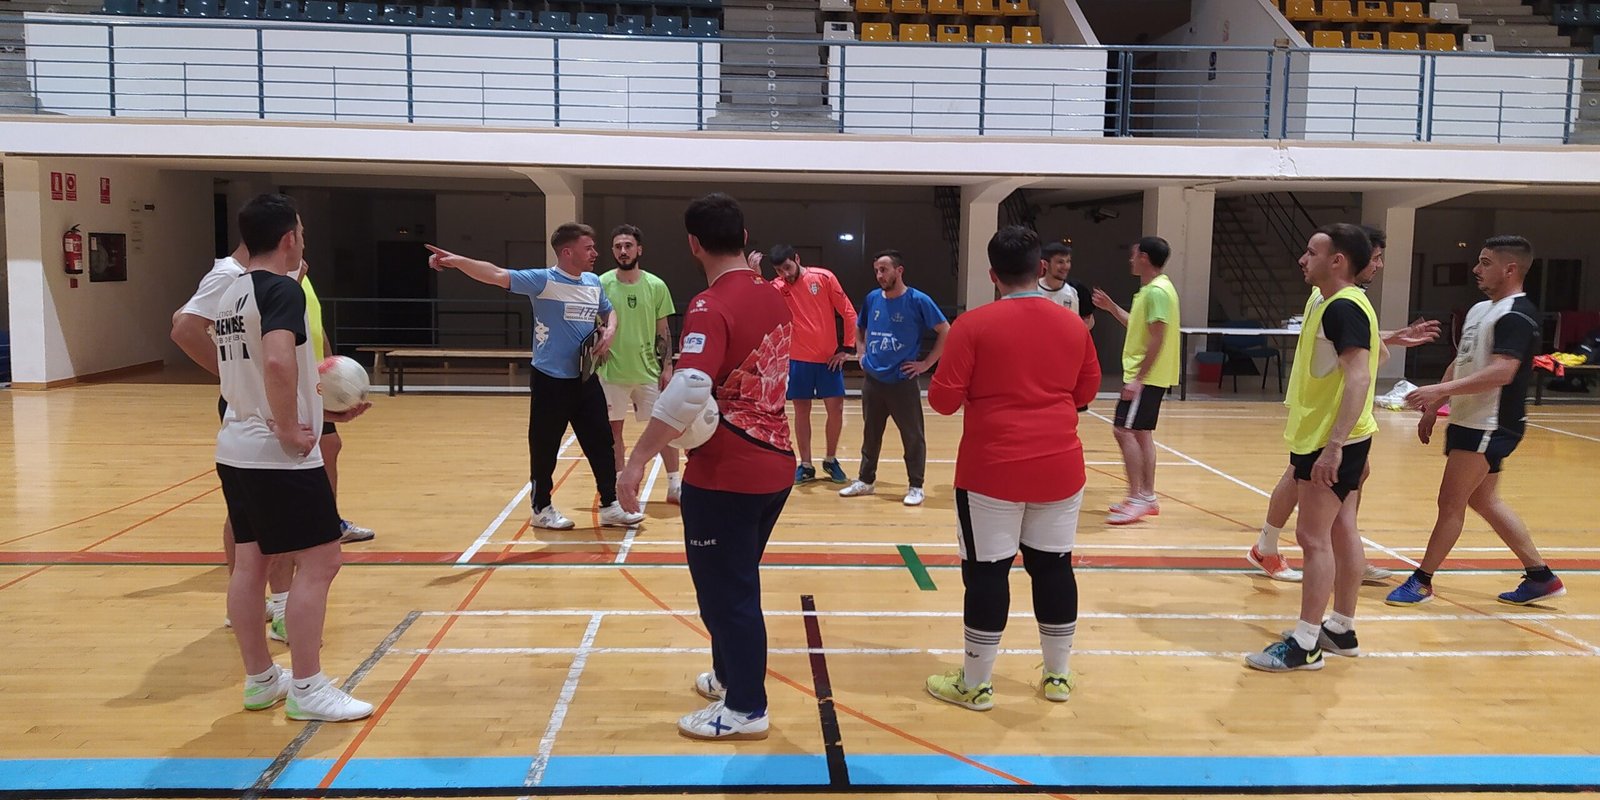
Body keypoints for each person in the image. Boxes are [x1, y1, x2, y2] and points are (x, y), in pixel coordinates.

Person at [617, 193, 794, 740]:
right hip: (776, 465)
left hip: (727, 474)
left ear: (693, 243)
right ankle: (727, 676)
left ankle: (746, 708)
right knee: (735, 582)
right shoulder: (777, 297)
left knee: (728, 593)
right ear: (744, 238)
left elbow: (692, 384)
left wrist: (638, 460)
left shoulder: (707, 305)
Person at [923, 225, 1100, 710]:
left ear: (991, 275)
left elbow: (941, 402)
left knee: (986, 574)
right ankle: (1058, 676)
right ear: (1041, 269)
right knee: (1054, 567)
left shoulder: (973, 326)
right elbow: (1085, 394)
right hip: (1061, 468)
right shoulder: (1073, 326)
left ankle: (976, 684)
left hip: (991, 472)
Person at [214, 193, 372, 720]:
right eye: (300, 233)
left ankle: (261, 680)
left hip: (235, 446)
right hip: (275, 453)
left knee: (251, 561)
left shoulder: (232, 292)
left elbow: (266, 368)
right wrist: (288, 426)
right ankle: (307, 687)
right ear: (289, 239)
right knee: (323, 560)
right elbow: (279, 362)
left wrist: (318, 411)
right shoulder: (282, 291)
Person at [1247, 226, 1441, 584]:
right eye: (1377, 257)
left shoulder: (1338, 298)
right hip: (1330, 414)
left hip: (1330, 412)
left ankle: (1327, 557)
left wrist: (1389, 337)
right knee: (1316, 504)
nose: (1379, 265)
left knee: (1337, 482)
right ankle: (1317, 560)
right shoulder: (1337, 300)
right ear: (1352, 259)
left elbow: (1357, 346)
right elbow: (1360, 364)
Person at [426, 224, 646, 530]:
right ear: (568, 252)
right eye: (589, 248)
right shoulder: (543, 281)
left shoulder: (594, 282)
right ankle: (542, 508)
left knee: (601, 442)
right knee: (544, 446)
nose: (595, 253)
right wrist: (457, 260)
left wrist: (608, 331)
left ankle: (609, 505)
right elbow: (494, 273)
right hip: (550, 380)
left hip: (585, 378)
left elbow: (609, 312)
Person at [1388, 236, 1564, 607]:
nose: (1476, 269)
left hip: (1491, 422)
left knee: (1450, 501)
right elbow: (1464, 359)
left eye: (1485, 262)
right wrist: (1437, 404)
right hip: (1471, 419)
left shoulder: (1517, 314)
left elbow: (1502, 372)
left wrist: (1438, 391)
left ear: (1510, 268)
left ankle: (1422, 581)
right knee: (1484, 500)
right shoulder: (1481, 309)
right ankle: (1540, 576)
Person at [1245, 223, 1379, 673]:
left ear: (1336, 260)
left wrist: (1335, 446)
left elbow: (1358, 377)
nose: (1302, 259)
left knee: (1312, 539)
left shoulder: (1342, 306)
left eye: (1311, 252)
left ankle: (1306, 644)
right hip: (1325, 434)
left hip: (1329, 438)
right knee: (1341, 531)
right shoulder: (1333, 302)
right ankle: (1341, 628)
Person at [171, 242, 294, 640]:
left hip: (263, 411)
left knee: (255, 513)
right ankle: (274, 605)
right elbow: (184, 325)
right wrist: (231, 377)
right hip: (257, 415)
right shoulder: (228, 276)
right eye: (299, 229)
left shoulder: (270, 278)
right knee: (262, 517)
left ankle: (262, 604)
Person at [838, 250, 949, 506]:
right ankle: (866, 480)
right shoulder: (872, 299)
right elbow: (859, 325)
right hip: (874, 382)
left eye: (884, 270)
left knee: (912, 436)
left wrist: (926, 364)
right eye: (877, 270)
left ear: (899, 271)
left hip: (902, 382)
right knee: (871, 433)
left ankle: (916, 486)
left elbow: (945, 330)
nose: (879, 275)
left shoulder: (918, 300)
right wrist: (862, 352)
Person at [1091, 237, 1181, 525]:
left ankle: (1138, 497)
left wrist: (1139, 378)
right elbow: (1138, 325)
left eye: (1133, 255)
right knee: (1141, 433)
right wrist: (1111, 307)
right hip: (1149, 375)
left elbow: (1158, 335)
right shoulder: (1151, 291)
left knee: (1123, 430)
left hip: (1146, 376)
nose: (1130, 260)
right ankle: (1146, 496)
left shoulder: (1157, 292)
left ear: (1143, 256)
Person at [754, 245, 857, 485]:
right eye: (779, 271)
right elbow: (757, 299)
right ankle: (806, 464)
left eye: (787, 267)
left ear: (797, 259)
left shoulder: (824, 277)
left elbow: (849, 313)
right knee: (801, 412)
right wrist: (755, 275)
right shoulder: (777, 287)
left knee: (837, 410)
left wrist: (846, 348)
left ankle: (831, 460)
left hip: (828, 360)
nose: (785, 274)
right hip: (797, 361)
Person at [597, 224, 683, 505]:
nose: (623, 251)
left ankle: (674, 486)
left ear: (639, 250)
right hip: (611, 372)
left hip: (648, 371)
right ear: (613, 251)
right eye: (618, 246)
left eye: (628, 246)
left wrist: (667, 367)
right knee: (613, 434)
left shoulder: (656, 286)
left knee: (665, 428)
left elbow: (663, 331)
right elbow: (592, 323)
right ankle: (619, 486)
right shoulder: (601, 283)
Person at [296, 259, 376, 544]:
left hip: (312, 382)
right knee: (300, 455)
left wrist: (329, 364)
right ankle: (315, 529)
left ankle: (326, 524)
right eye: (300, 233)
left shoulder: (301, 276)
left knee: (329, 445)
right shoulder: (271, 281)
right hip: (294, 386)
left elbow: (315, 326)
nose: (303, 242)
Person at [1038, 241, 1095, 331]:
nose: (1066, 266)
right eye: (1060, 262)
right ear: (1045, 264)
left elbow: (1089, 319)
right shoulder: (1032, 288)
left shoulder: (1076, 289)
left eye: (1068, 261)